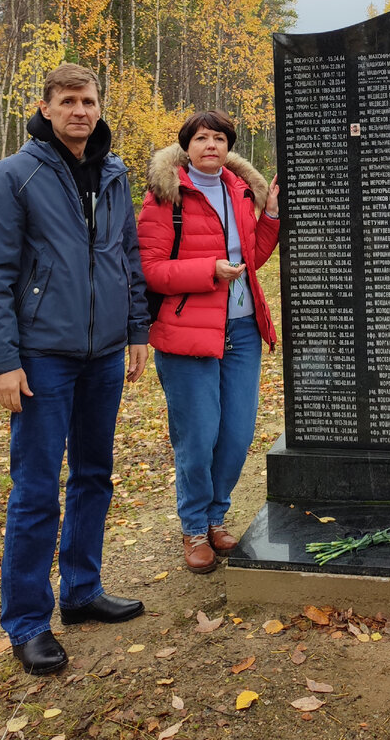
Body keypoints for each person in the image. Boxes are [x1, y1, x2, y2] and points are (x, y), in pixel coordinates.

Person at [0, 64, 150, 675]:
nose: (81, 111)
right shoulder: (14, 178)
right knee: (37, 488)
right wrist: (3, 361)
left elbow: (127, 256)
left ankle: (80, 591)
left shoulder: (115, 172)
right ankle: (26, 621)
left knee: (95, 475)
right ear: (46, 108)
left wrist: (135, 330)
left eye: (90, 100)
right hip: (42, 357)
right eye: (68, 101)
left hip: (102, 355)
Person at [137, 109, 280, 573]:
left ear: (228, 146)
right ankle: (194, 528)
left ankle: (218, 517)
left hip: (242, 331)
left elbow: (252, 256)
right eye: (201, 138)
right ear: (187, 147)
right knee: (198, 437)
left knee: (236, 435)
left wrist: (271, 214)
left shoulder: (240, 190)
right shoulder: (166, 195)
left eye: (219, 138)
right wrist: (207, 271)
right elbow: (150, 268)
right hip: (188, 334)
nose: (211, 146)